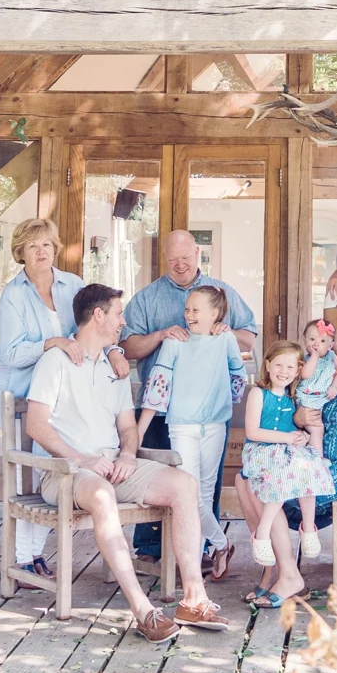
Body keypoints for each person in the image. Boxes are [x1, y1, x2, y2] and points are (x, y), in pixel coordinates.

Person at [24, 283, 229, 639]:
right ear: (98, 315)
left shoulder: (113, 365)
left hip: (113, 466)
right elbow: (36, 426)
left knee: (185, 485)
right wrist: (83, 460)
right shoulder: (54, 361)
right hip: (67, 472)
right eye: (118, 314)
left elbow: (127, 427)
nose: (123, 322)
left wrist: (129, 454)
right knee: (102, 494)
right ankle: (143, 610)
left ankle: (194, 598)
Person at [0, 219, 128, 581]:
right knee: (30, 478)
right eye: (33, 246)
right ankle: (26, 557)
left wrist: (114, 350)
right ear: (21, 252)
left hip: (65, 394)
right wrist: (54, 343)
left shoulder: (73, 285)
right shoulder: (13, 295)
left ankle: (33, 555)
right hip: (26, 393)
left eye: (47, 245)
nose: (41, 252)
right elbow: (11, 354)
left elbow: (94, 327)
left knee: (53, 468)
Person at [237, 317, 337, 605]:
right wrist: (299, 417)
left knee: (261, 484)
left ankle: (288, 574)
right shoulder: (336, 376)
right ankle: (274, 568)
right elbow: (304, 412)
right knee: (244, 478)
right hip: (318, 461)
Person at [122, 230, 259, 559]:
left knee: (203, 488)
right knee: (154, 481)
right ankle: (153, 550)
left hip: (210, 416)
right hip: (164, 412)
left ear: (197, 254)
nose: (180, 264)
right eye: (173, 260)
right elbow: (127, 346)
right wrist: (161, 335)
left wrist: (225, 331)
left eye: (185, 258)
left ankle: (202, 552)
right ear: (164, 259)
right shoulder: (147, 298)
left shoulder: (221, 292)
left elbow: (248, 339)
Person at [137, 284, 248, 582]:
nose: (189, 315)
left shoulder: (226, 339)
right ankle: (222, 544)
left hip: (215, 425)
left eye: (196, 310)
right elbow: (157, 388)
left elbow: (238, 376)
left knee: (206, 493)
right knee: (190, 494)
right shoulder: (175, 341)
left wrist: (222, 400)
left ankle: (195, 567)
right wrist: (139, 432)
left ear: (215, 313)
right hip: (182, 425)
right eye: (187, 309)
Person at [241, 339, 337, 567]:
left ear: (297, 371)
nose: (283, 371)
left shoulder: (292, 398)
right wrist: (288, 438)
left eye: (290, 367)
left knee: (310, 465)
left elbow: (295, 428)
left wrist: (301, 436)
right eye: (278, 365)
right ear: (267, 365)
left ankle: (308, 527)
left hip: (285, 451)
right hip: (259, 450)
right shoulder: (258, 394)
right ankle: (262, 533)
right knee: (283, 471)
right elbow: (253, 432)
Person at [294, 318, 337, 456]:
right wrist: (314, 356)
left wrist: (334, 387)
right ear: (305, 340)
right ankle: (317, 459)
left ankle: (310, 453)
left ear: (331, 345)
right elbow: (306, 374)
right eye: (312, 339)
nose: (316, 344)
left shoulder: (332, 357)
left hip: (322, 397)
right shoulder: (304, 358)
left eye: (322, 341)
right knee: (317, 428)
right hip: (307, 398)